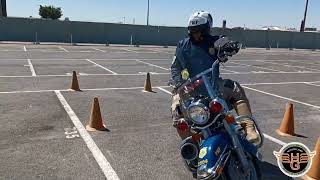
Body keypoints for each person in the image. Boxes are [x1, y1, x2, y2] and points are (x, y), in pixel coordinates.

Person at [170, 11, 259, 144]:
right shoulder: (183, 45)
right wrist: (179, 85)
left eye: (199, 31)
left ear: (206, 29)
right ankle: (191, 145)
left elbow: (225, 41)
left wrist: (230, 46)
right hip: (190, 89)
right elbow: (175, 66)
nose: (196, 34)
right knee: (176, 110)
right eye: (193, 31)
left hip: (213, 87)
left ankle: (249, 128)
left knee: (235, 88)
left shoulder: (214, 41)